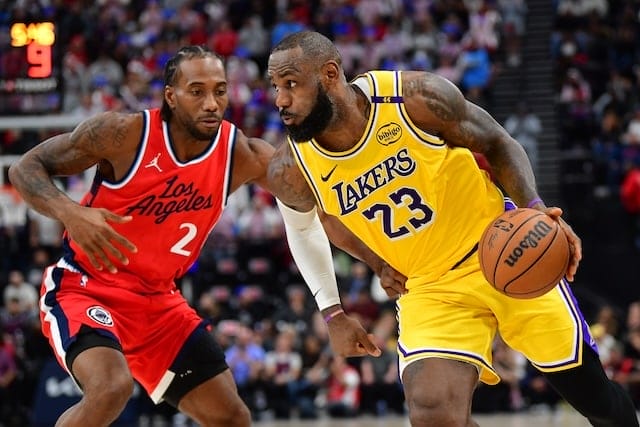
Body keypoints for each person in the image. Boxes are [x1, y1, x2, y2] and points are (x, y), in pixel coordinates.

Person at [266, 30, 640, 426]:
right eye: (275, 86)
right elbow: (320, 222)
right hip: (429, 288)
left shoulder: (412, 98)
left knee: (595, 399)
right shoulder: (291, 168)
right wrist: (365, 276)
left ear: (329, 74)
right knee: (433, 414)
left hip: (503, 249)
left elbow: (497, 143)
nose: (280, 101)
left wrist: (536, 210)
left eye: (291, 84)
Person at [8, 45, 383, 427]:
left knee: (231, 418)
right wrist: (71, 212)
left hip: (158, 302)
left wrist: (374, 268)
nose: (211, 103)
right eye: (197, 91)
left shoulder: (242, 154)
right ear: (171, 97)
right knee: (110, 388)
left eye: (220, 91)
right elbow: (25, 168)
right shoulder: (123, 134)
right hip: (85, 288)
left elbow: (319, 210)